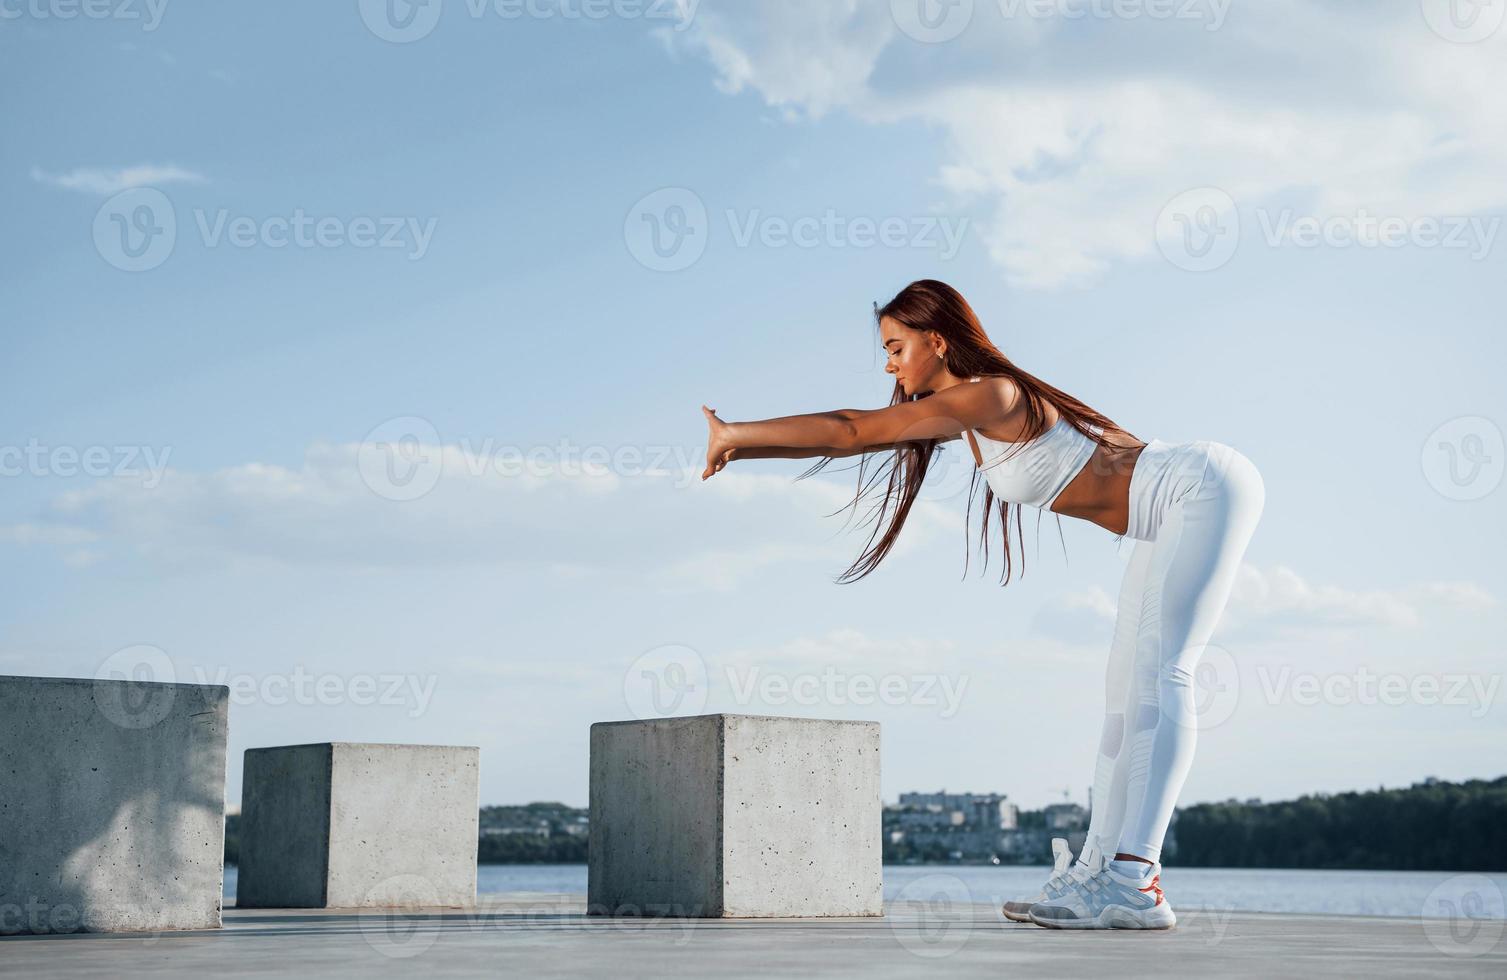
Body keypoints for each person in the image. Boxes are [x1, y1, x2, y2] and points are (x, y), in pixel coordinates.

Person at [699, 279, 1265, 930]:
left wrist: (735, 435)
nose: (888, 364)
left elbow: (854, 429)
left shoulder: (993, 394)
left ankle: (1134, 880)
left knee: (1160, 674)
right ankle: (1095, 874)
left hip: (1199, 489)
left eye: (894, 347)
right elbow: (863, 430)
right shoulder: (969, 410)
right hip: (1164, 513)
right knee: (1123, 690)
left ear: (935, 341)